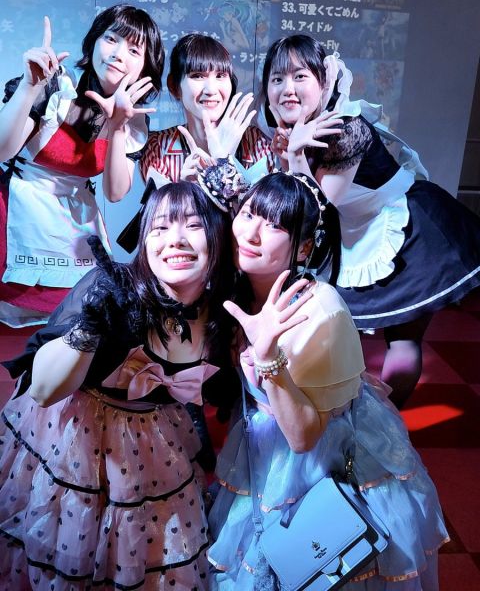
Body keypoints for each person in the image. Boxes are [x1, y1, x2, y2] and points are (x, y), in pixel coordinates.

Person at [207, 172, 449, 590]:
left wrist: (267, 358)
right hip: (261, 444)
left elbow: (304, 437)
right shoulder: (237, 290)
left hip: (319, 460)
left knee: (314, 565)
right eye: (247, 214)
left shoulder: (322, 310)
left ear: (303, 247)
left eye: (274, 225)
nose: (251, 233)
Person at [0, 181, 238, 590]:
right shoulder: (111, 289)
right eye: (160, 227)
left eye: (193, 225)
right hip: (76, 439)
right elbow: (42, 389)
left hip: (156, 442)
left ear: (217, 236)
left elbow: (222, 394)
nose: (175, 239)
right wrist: (90, 326)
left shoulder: (220, 313)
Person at [259, 34, 480, 407]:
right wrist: (291, 150)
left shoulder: (347, 128)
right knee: (333, 331)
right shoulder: (300, 129)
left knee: (403, 339)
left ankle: (384, 419)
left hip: (407, 231)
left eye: (300, 76)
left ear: (324, 82)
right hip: (353, 228)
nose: (287, 89)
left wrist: (294, 153)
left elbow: (313, 208)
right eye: (277, 78)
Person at [0, 5, 164, 328]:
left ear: (146, 67)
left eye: (134, 50)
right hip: (15, 211)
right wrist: (29, 87)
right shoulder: (54, 84)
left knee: (74, 325)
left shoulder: (133, 121)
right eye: (111, 39)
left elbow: (115, 192)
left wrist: (117, 127)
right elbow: (3, 150)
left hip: (74, 221)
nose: (118, 54)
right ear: (92, 44)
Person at [139, 33, 274, 186]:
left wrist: (223, 161)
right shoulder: (158, 147)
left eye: (221, 75)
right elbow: (157, 203)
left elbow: (263, 201)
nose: (211, 90)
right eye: (197, 76)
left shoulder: (257, 143)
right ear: (174, 86)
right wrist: (184, 189)